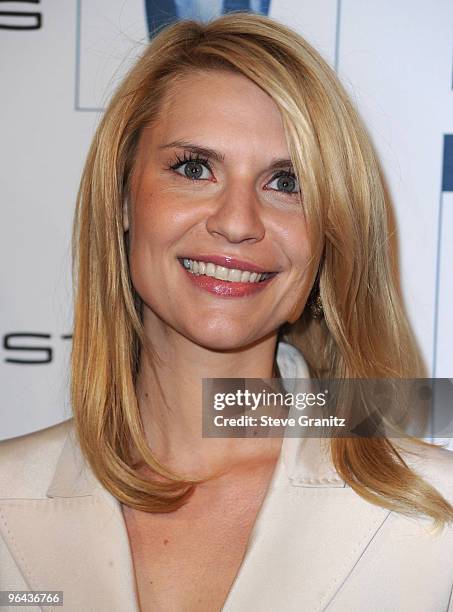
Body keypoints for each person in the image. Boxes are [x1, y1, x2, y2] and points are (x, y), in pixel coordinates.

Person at [1, 12, 453, 612]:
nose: (238, 221)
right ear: (123, 199)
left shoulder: (434, 513)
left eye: (286, 182)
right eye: (194, 168)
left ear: (331, 233)